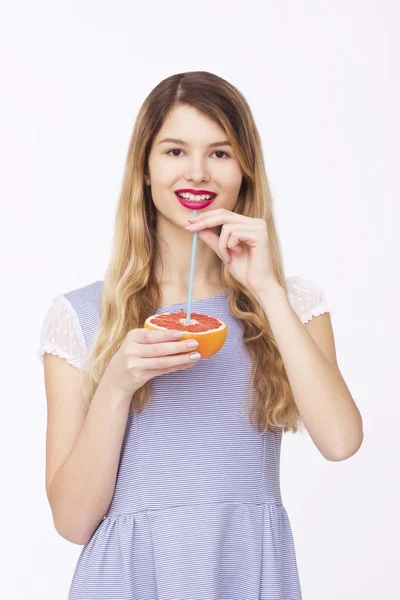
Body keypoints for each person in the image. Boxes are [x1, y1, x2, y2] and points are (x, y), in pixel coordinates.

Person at [38, 71, 363, 599]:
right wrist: (117, 383)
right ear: (144, 168)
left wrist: (266, 290)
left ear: (245, 170)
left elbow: (341, 440)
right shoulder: (80, 317)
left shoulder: (293, 304)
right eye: (173, 151)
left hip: (247, 575)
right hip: (125, 582)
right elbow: (73, 522)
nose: (196, 172)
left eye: (220, 153)